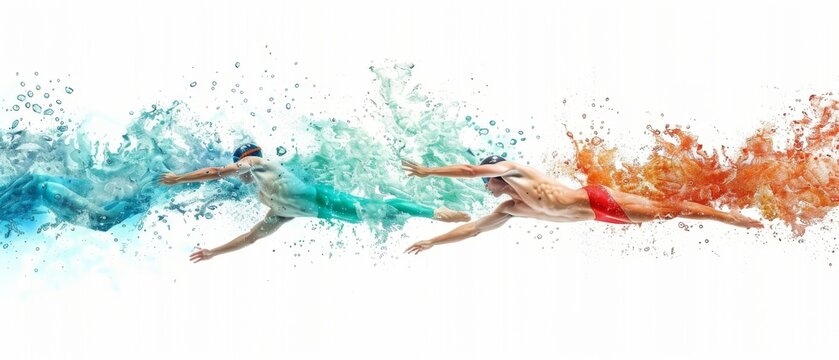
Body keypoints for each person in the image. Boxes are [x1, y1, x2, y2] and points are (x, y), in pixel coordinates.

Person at [159, 143, 470, 262]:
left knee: (380, 206)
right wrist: (213, 252)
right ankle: (430, 216)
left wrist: (179, 179)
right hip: (326, 213)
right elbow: (251, 237)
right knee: (381, 216)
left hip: (325, 198)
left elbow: (216, 172)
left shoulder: (257, 163)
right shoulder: (271, 201)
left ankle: (436, 211)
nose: (237, 172)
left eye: (238, 166)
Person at [401, 155, 763, 254]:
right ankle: (723, 202)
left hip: (597, 200)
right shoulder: (510, 208)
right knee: (664, 212)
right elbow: (474, 229)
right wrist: (433, 241)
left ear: (495, 173)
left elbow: (469, 170)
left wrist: (428, 171)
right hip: (599, 217)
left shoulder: (514, 171)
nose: (486, 186)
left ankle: (731, 217)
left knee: (671, 210)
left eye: (487, 181)